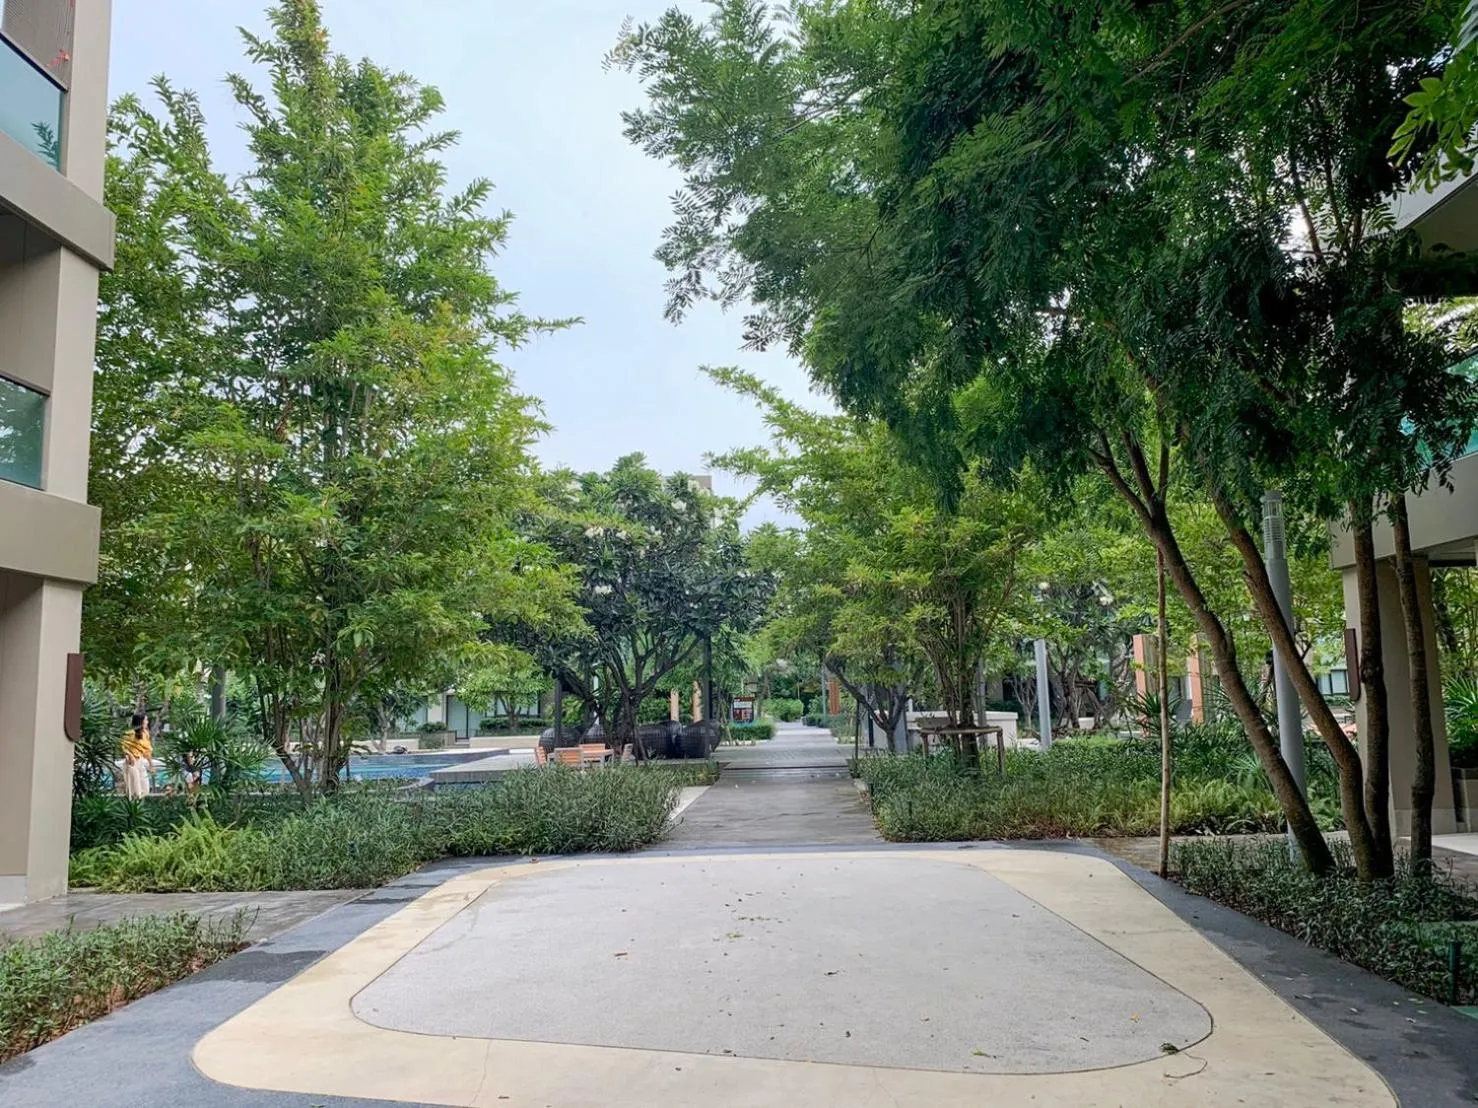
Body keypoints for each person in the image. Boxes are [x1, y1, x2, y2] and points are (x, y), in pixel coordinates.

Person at [121, 711, 153, 800]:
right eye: (146, 720)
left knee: (145, 790)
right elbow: (124, 747)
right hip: (132, 763)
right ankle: (132, 809)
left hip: (140, 762)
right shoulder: (130, 733)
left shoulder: (145, 733)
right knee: (134, 792)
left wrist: (151, 765)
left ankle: (136, 806)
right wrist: (129, 755)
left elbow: (148, 750)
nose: (147, 722)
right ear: (140, 721)